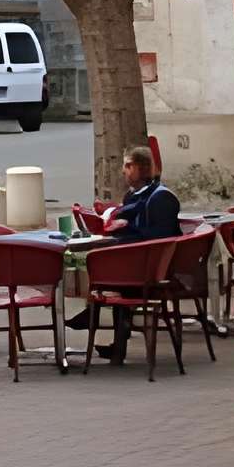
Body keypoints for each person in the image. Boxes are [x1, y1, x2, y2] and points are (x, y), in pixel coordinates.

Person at [76, 144, 182, 361]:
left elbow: (158, 240)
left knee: (105, 272)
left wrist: (122, 232)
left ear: (142, 168)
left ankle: (95, 317)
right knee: (100, 268)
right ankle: (110, 333)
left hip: (153, 272)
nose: (124, 170)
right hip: (137, 264)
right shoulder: (135, 196)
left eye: (128, 165)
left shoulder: (162, 198)